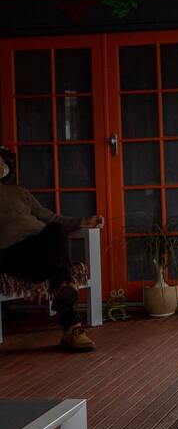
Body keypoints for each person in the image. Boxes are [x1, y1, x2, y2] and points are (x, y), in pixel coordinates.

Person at [0, 148, 103, 351]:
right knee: (60, 274)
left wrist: (82, 221)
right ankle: (72, 328)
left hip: (41, 250)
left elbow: (52, 218)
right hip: (11, 253)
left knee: (55, 229)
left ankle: (64, 293)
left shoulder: (19, 192)